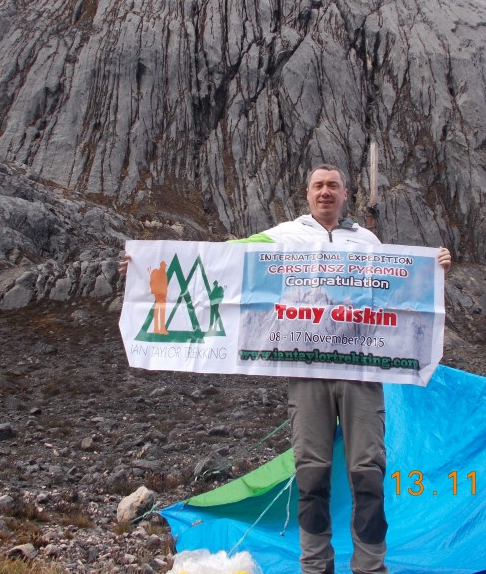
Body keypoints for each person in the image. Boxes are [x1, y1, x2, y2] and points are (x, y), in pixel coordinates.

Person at [120, 164, 452, 574]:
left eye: (333, 186)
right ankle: (315, 567)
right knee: (311, 475)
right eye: (318, 186)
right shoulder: (284, 234)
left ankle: (370, 567)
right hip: (307, 373)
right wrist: (144, 267)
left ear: (345, 194)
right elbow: (226, 254)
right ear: (308, 193)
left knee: (367, 472)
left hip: (361, 374)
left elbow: (398, 289)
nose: (325, 192)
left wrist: (435, 267)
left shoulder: (367, 240)